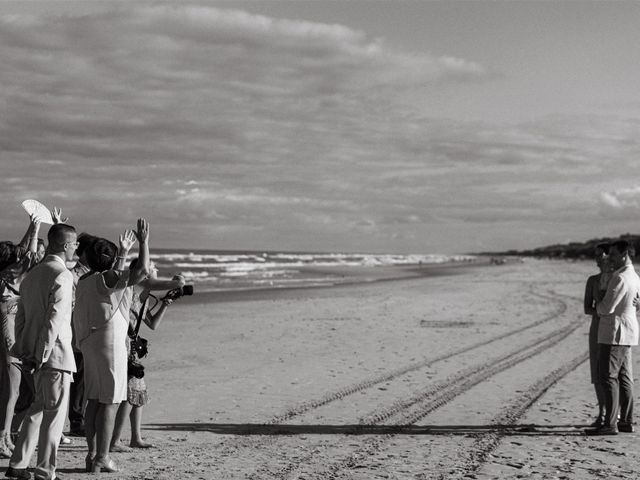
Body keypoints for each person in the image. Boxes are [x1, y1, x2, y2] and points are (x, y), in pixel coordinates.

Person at [73, 219, 149, 473]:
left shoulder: (85, 280)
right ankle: (102, 457)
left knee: (94, 399)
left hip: (90, 343)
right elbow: (141, 273)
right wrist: (143, 242)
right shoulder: (107, 279)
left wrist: (124, 253)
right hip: (110, 345)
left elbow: (116, 280)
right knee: (110, 402)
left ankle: (92, 454)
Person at [5, 223, 78, 480]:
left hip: (34, 353)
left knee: (37, 410)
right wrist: (42, 354)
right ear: (63, 245)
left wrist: (26, 350)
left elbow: (22, 318)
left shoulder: (33, 274)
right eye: (74, 243)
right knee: (54, 415)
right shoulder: (62, 275)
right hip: (53, 354)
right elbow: (54, 320)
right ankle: (46, 470)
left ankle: (18, 463)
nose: (77, 248)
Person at [110, 260, 185, 452]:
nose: (156, 273)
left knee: (138, 393)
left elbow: (152, 324)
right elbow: (176, 283)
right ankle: (115, 441)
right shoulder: (133, 288)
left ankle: (135, 437)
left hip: (132, 346)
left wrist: (165, 304)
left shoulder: (143, 294)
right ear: (142, 273)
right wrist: (177, 282)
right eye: (153, 270)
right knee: (130, 395)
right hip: (124, 345)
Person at [586, 240, 640, 436]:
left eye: (614, 255)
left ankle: (610, 423)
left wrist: (599, 303)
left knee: (608, 377)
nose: (611, 259)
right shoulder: (635, 276)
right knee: (624, 377)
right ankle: (625, 420)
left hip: (615, 332)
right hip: (628, 331)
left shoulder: (620, 278)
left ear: (624, 255)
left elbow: (606, 308)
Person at [0, 215, 42, 458]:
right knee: (11, 393)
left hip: (6, 341)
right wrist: (35, 229)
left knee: (8, 393)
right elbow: (29, 255)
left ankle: (5, 437)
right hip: (10, 344)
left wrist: (32, 228)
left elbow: (24, 254)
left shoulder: (5, 279)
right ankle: (3, 439)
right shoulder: (10, 281)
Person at [67, 233, 98, 437]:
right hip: (77, 332)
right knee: (79, 379)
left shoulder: (87, 273)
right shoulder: (75, 275)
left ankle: (80, 418)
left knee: (84, 378)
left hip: (84, 331)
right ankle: (77, 421)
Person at [583, 243, 611, 427]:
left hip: (614, 329)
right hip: (596, 328)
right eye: (596, 255)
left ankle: (615, 413)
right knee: (596, 371)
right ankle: (602, 412)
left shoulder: (619, 279)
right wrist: (602, 312)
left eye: (600, 255)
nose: (597, 258)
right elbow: (587, 308)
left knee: (612, 372)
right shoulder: (592, 280)